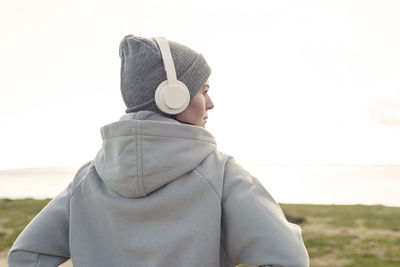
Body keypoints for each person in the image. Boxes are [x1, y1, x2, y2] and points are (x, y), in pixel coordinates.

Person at [8, 35, 309, 267]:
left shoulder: (88, 178)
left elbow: (26, 255)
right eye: (204, 91)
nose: (211, 103)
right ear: (172, 97)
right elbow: (288, 258)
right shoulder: (220, 172)